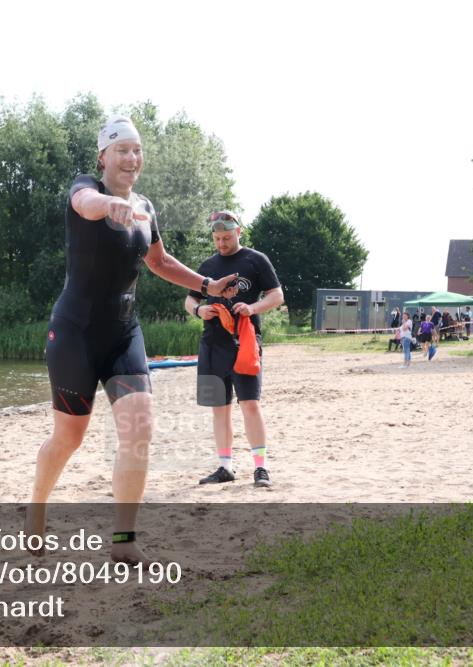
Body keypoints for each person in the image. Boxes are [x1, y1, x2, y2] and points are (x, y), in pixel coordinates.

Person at [27, 117, 238, 563]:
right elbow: (85, 204)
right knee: (69, 437)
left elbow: (159, 262)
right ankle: (37, 510)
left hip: (124, 334)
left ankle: (123, 539)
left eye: (137, 150)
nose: (131, 158)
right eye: (121, 150)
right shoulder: (85, 187)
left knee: (139, 428)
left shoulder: (144, 205)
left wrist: (207, 285)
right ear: (103, 157)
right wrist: (109, 206)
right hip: (75, 335)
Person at [185, 210, 284, 488]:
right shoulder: (207, 265)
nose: (221, 243)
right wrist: (199, 310)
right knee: (219, 407)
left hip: (245, 343)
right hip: (212, 345)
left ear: (238, 232)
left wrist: (252, 307)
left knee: (250, 404)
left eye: (226, 237)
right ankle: (225, 467)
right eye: (217, 238)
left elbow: (277, 295)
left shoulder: (256, 260)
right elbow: (189, 300)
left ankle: (261, 468)